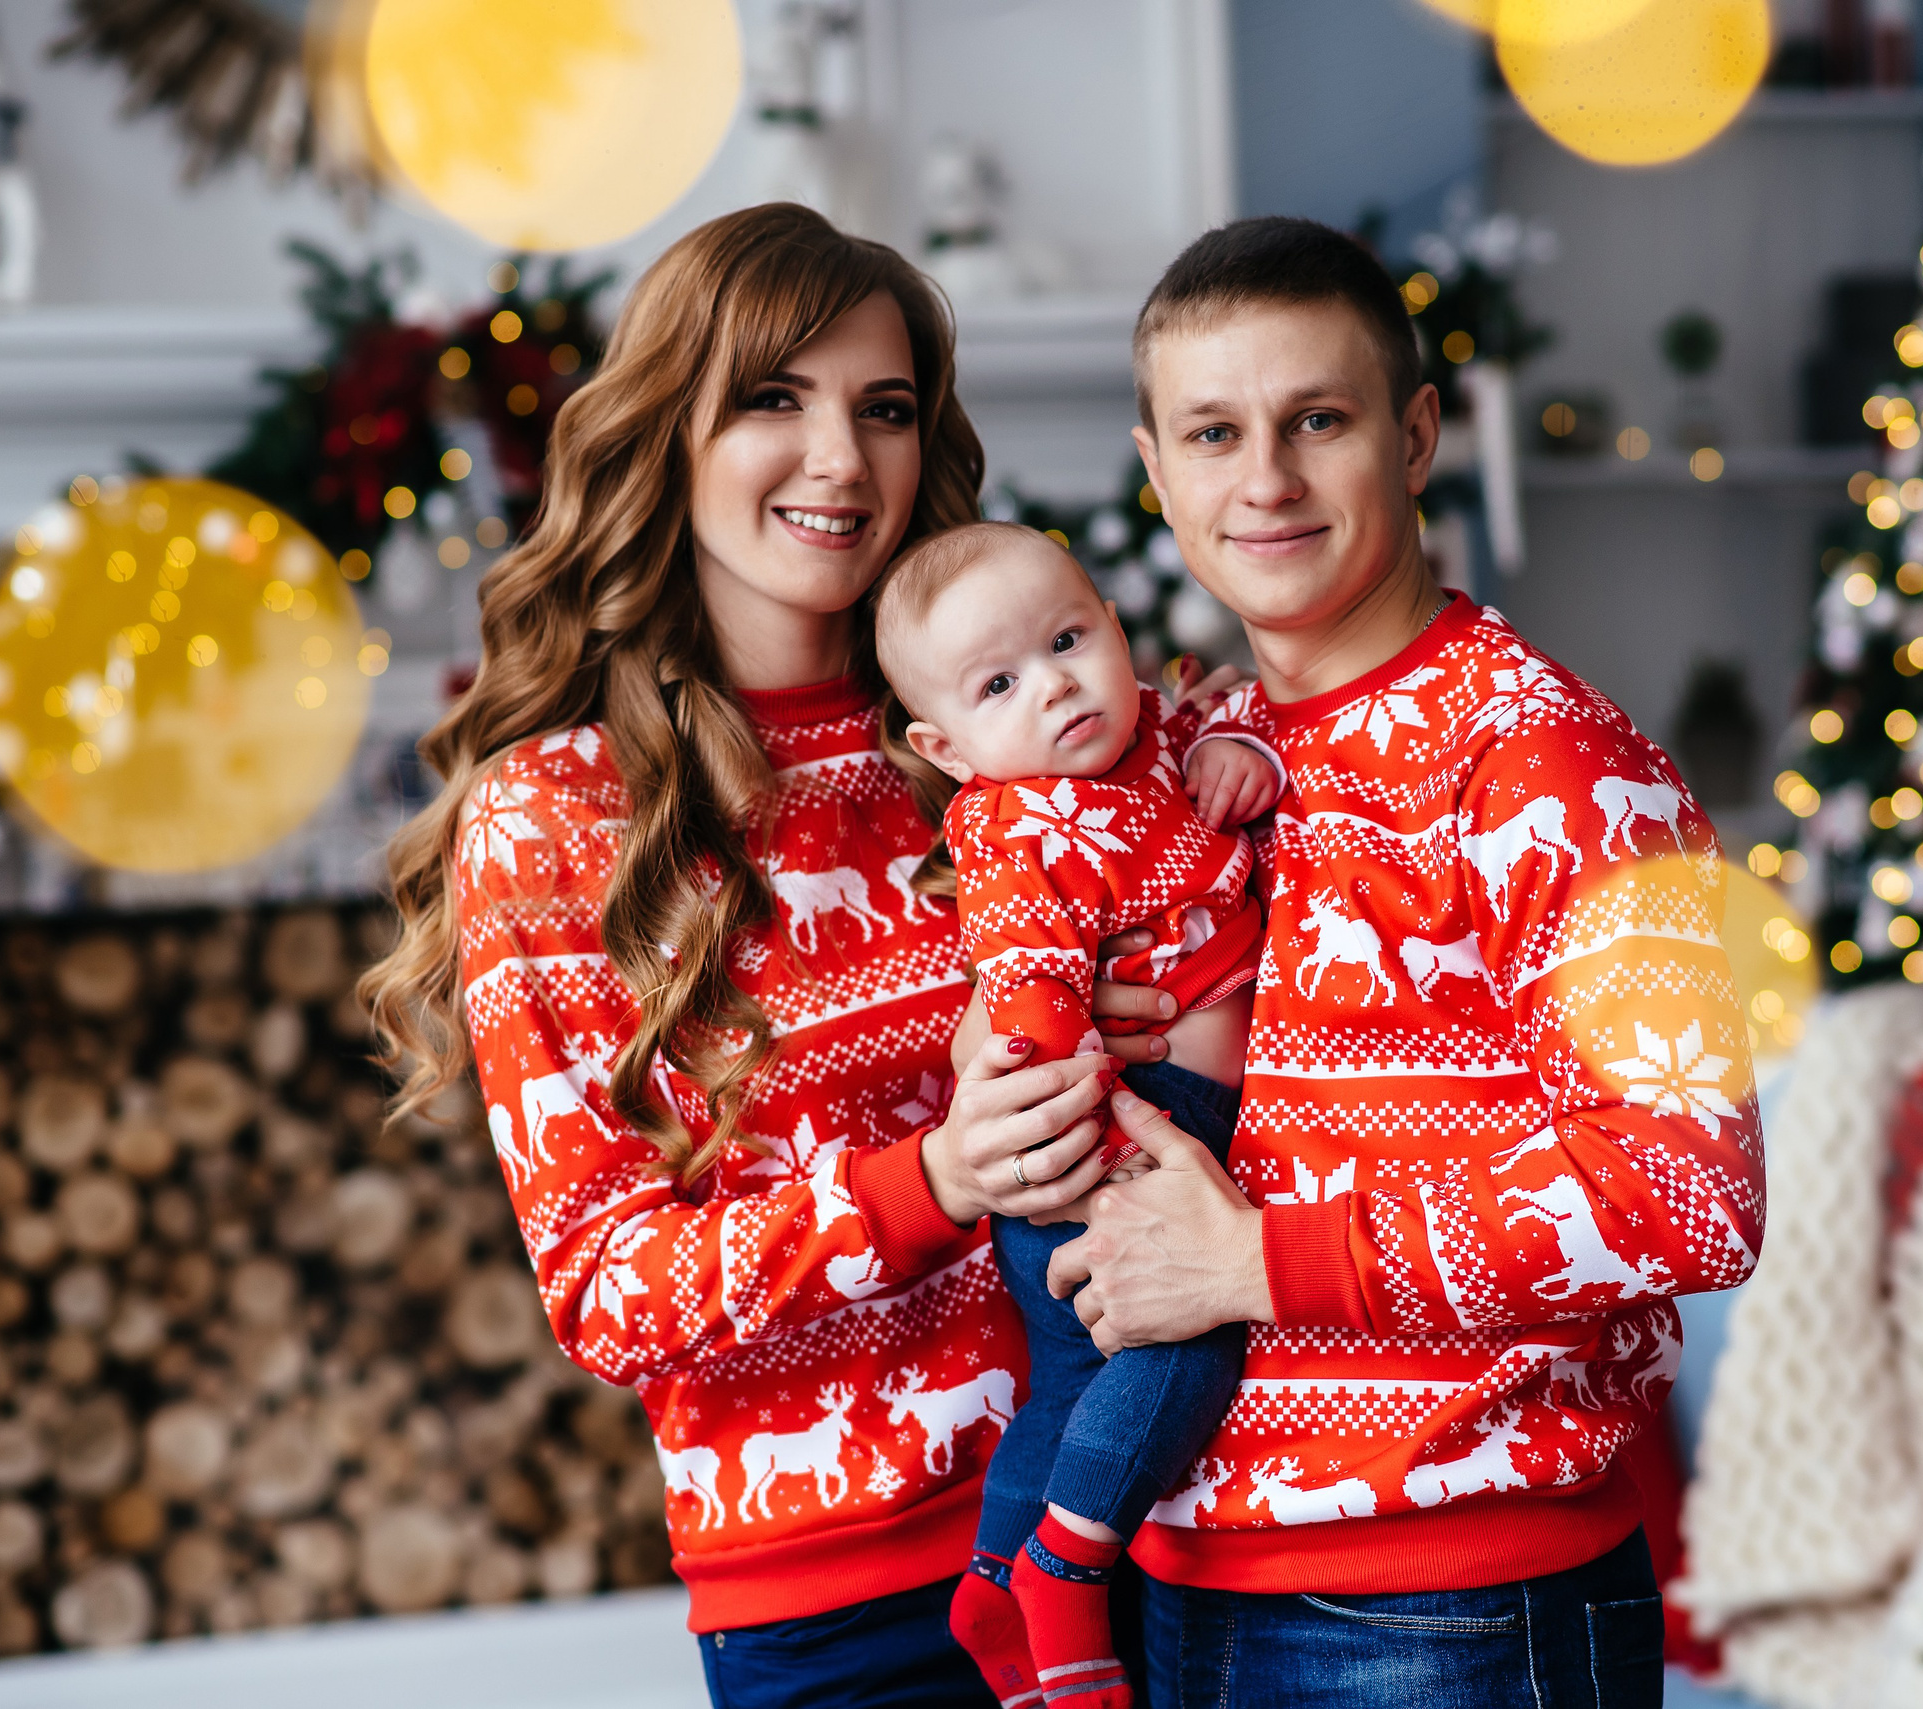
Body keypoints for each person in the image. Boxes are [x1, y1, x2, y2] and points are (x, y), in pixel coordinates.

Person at [361, 203, 1176, 1709]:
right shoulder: (556, 817)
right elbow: (608, 1286)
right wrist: (932, 1184)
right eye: (773, 400)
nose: (842, 461)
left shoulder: (994, 732)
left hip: (1149, 1518)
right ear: (670, 431)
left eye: (884, 410)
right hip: (845, 1612)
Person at [1043, 217, 1768, 1708]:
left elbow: (1696, 1190)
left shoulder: (1552, 760)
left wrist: (1257, 1259)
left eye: (1318, 420)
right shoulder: (1185, 760)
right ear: (1157, 469)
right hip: (1175, 1588)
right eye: (1214, 433)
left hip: (1453, 1616)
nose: (1267, 481)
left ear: (1417, 433)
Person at [874, 521, 1281, 1709]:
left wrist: (1242, 744)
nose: (1053, 686)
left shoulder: (1155, 732)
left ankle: (993, 1581)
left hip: (1154, 1129)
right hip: (1109, 1143)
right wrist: (1092, 1168)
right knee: (1189, 1344)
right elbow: (1033, 1009)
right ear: (946, 748)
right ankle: (1066, 1563)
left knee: (1065, 1388)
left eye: (1068, 639)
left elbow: (1231, 704)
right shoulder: (1022, 834)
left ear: (1112, 621)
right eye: (1001, 683)